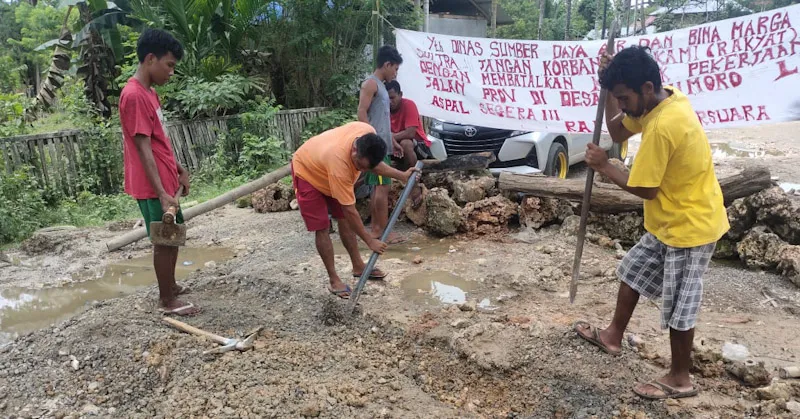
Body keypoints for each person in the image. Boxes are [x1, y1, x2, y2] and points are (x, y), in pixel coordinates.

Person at [575, 46, 729, 400]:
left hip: (690, 226)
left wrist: (604, 166)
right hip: (668, 219)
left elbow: (645, 187)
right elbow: (617, 133)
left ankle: (680, 378)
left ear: (646, 87)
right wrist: (609, 85)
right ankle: (613, 336)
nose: (623, 106)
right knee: (632, 270)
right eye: (618, 98)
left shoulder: (663, 124)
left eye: (624, 98)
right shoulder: (664, 99)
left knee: (679, 302)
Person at [120, 29, 200, 316]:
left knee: (174, 233)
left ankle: (172, 286)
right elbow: (142, 149)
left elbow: (159, 140)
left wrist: (178, 169)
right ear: (150, 59)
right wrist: (162, 193)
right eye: (169, 65)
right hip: (153, 185)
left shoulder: (150, 94)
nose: (171, 72)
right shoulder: (134, 96)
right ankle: (166, 300)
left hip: (166, 180)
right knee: (163, 239)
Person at [291, 122, 419, 298]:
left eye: (366, 168)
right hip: (308, 172)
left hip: (327, 167)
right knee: (322, 227)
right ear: (354, 152)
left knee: (344, 220)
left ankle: (358, 266)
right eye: (360, 166)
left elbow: (375, 165)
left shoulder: (368, 135)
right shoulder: (339, 163)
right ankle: (334, 279)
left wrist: (401, 175)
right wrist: (369, 241)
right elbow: (350, 210)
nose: (362, 171)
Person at [358, 45, 404, 244]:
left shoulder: (381, 86)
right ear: (387, 64)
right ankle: (380, 230)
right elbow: (361, 113)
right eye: (395, 68)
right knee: (382, 188)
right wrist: (373, 141)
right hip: (376, 146)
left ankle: (378, 229)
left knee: (379, 188)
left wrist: (393, 140)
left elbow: (382, 119)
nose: (395, 73)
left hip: (383, 144)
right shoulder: (371, 84)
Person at [386, 80, 432, 207]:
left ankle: (414, 184)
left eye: (392, 97)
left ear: (400, 94)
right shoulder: (383, 109)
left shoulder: (409, 105)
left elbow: (410, 133)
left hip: (418, 147)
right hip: (395, 148)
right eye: (387, 98)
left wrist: (391, 137)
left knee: (406, 143)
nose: (390, 101)